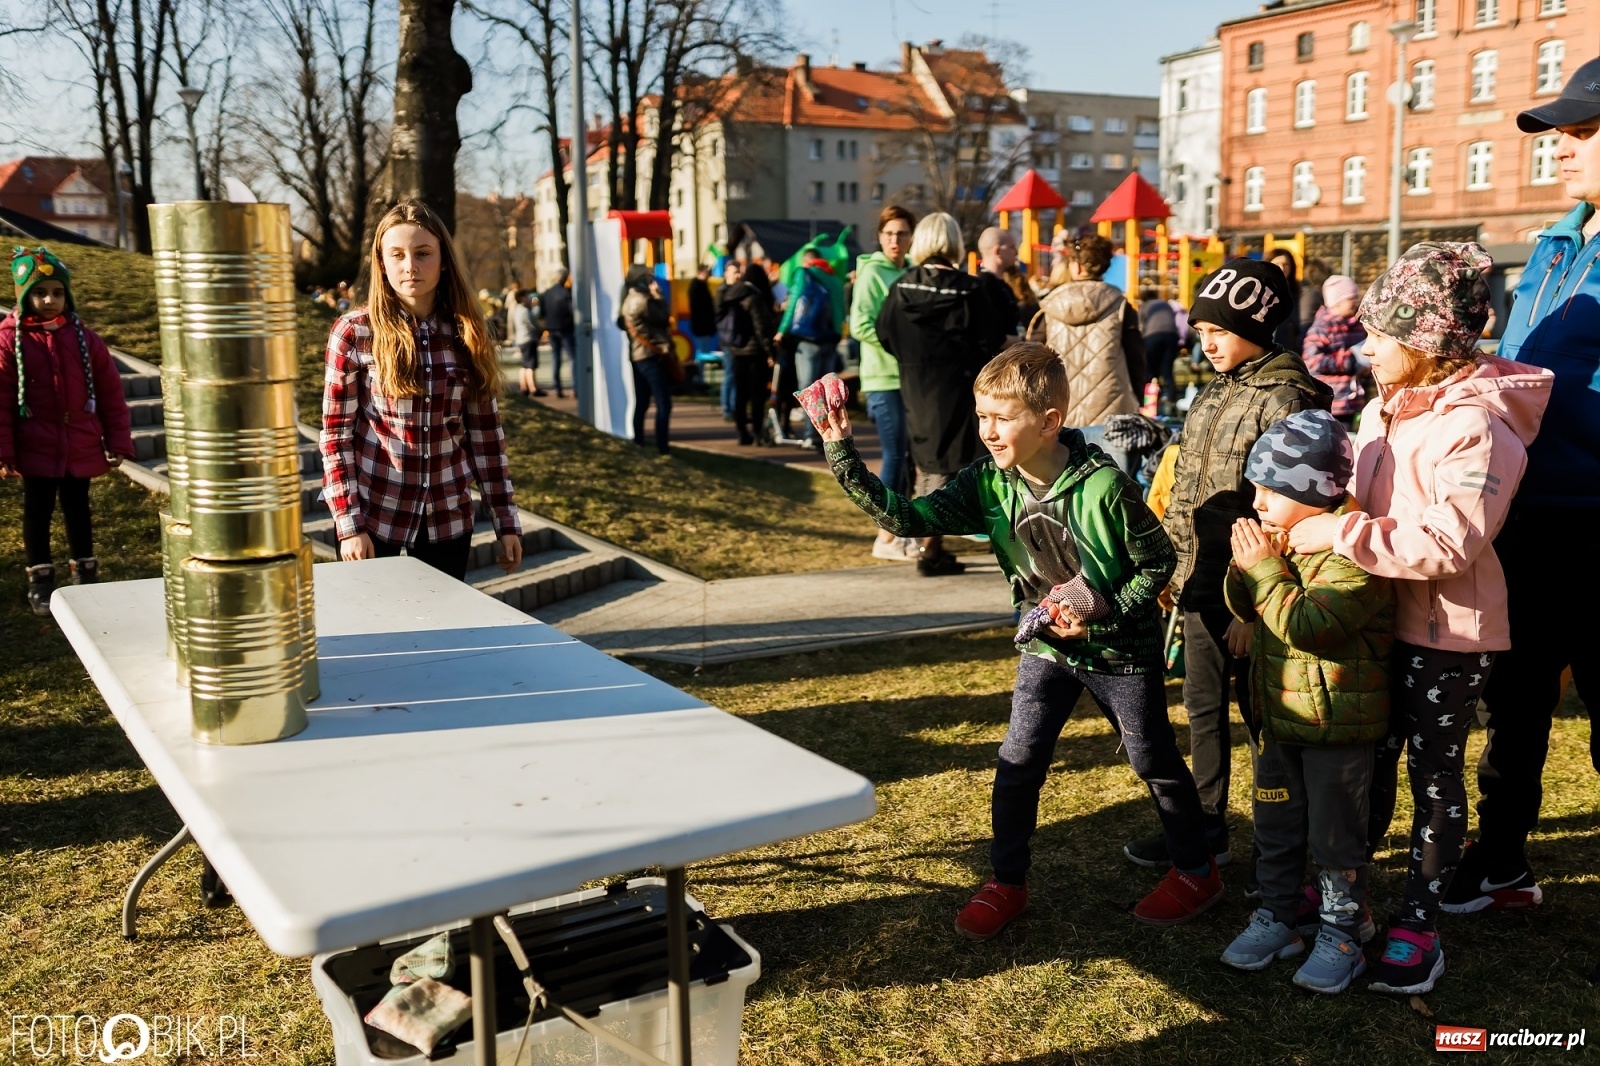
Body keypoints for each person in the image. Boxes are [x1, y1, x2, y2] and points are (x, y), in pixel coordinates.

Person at [813, 342, 1224, 937]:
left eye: (1001, 417)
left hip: (1118, 651)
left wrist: (1102, 612)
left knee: (1153, 759)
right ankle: (1006, 882)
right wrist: (839, 450)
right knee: (1018, 761)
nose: (987, 431)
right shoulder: (986, 484)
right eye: (982, 416)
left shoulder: (1106, 487)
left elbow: (1158, 562)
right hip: (1046, 650)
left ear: (1050, 421)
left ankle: (1196, 872)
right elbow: (907, 519)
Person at [1286, 241, 1552, 995]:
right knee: (1364, 761)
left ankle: (1419, 921)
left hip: (1446, 637)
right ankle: (1351, 897)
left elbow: (1451, 542)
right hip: (1373, 618)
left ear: (1426, 341)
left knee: (1433, 776)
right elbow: (1360, 502)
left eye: (1379, 335)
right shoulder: (1381, 410)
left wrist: (1340, 535)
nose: (1364, 347)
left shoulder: (1479, 428)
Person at [1450, 64, 1600, 925]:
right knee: (1514, 703)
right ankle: (1499, 859)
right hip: (1529, 519)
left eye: (1581, 131)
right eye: (1558, 131)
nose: (1561, 147)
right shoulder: (1549, 245)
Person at [1126, 258, 1330, 873]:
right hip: (1199, 584)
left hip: (1254, 591)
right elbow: (1186, 485)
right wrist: (1170, 566)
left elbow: (1289, 510)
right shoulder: (1215, 390)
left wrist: (1253, 604)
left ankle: (1284, 845)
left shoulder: (1287, 396)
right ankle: (1206, 826)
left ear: (1259, 323)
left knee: (1268, 721)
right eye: (1199, 329)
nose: (1203, 341)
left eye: (1217, 329)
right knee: (1202, 709)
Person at [1218, 410, 1395, 995]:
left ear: (1313, 489)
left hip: (1339, 728)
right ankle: (1278, 916)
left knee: (1335, 835)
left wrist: (1264, 567)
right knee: (1275, 822)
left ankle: (1344, 929)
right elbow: (1252, 609)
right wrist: (1248, 569)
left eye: (1271, 489)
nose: (1258, 501)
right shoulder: (1284, 543)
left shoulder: (1354, 549)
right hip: (1283, 721)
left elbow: (1310, 625)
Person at [320, 199, 523, 582]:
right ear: (382, 263)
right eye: (397, 255)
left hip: (447, 520)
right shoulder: (354, 332)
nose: (410, 266)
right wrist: (349, 524)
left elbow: (486, 437)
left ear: (444, 260)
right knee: (375, 635)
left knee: (440, 633)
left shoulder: (467, 332)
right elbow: (336, 436)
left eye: (423, 253)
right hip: (373, 516)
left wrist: (506, 521)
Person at [0, 247, 134, 615]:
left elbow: (110, 394)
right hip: (35, 444)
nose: (49, 300)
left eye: (57, 293)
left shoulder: (85, 340)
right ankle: (41, 579)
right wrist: (5, 451)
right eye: (40, 293)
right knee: (37, 510)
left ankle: (85, 572)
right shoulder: (10, 340)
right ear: (25, 296)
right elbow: (2, 400)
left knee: (78, 508)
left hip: (79, 441)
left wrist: (117, 440)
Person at [875, 211, 1007, 576]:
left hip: (917, 387)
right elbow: (991, 339)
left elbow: (884, 332)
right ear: (953, 243)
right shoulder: (971, 290)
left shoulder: (901, 289)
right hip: (961, 389)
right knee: (959, 469)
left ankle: (931, 547)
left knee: (929, 467)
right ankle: (931, 548)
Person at [852, 205, 917, 560]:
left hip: (909, 375)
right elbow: (860, 325)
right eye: (889, 233)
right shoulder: (871, 273)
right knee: (893, 454)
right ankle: (884, 538)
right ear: (879, 236)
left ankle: (899, 531)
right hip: (882, 376)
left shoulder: (910, 271)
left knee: (908, 456)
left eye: (902, 233)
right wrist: (900, 344)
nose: (896, 240)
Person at [1036, 235, 1144, 428]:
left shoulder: (1050, 306)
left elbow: (1034, 354)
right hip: (1111, 407)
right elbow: (1135, 357)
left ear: (1076, 266)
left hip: (1059, 404)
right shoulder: (1120, 305)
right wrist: (1138, 397)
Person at [776, 247, 844, 448]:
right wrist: (837, 333)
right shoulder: (834, 278)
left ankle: (810, 436)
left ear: (806, 262)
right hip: (829, 339)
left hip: (807, 340)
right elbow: (840, 309)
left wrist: (782, 330)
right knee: (828, 391)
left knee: (809, 390)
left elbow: (793, 303)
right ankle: (832, 436)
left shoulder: (803, 274)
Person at [716, 259, 778, 446]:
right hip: (754, 351)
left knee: (740, 393)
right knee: (757, 394)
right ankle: (758, 432)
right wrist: (770, 351)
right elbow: (760, 327)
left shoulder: (731, 293)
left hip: (735, 348)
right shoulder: (754, 296)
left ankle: (742, 432)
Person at [1300, 275, 1368, 426]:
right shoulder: (1322, 328)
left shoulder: (1358, 326)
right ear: (1337, 302)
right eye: (1351, 298)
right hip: (1331, 403)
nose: (1356, 302)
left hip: (1352, 401)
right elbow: (1312, 361)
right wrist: (1347, 361)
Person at [620, 266, 674, 455]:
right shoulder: (643, 301)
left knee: (642, 402)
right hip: (649, 356)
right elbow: (664, 317)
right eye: (649, 277)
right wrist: (659, 296)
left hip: (638, 355)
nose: (652, 280)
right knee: (663, 403)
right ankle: (662, 446)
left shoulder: (629, 299)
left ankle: (639, 441)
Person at [976, 227, 1022, 340]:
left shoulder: (1001, 284)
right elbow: (989, 335)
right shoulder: (983, 285)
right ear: (997, 251)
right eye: (1011, 247)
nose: (1016, 251)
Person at [1138, 289, 1181, 408]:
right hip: (1171, 336)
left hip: (1152, 337)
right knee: (1167, 370)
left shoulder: (1145, 306)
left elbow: (1140, 326)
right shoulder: (1166, 304)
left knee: (1149, 371)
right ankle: (1171, 400)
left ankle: (1147, 402)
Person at [540, 268, 575, 400]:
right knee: (572, 358)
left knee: (556, 358)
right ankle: (575, 387)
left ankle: (557, 387)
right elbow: (571, 311)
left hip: (552, 328)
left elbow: (542, 312)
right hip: (565, 329)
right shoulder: (566, 294)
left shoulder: (547, 294)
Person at [508, 289, 543, 399]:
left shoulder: (516, 310)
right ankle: (533, 387)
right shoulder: (525, 311)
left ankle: (524, 386)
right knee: (531, 364)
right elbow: (532, 324)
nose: (529, 299)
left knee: (524, 364)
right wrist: (540, 330)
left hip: (520, 339)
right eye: (527, 296)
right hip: (528, 339)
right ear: (522, 298)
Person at [1267, 250, 1304, 353]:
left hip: (1289, 348)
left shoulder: (1297, 293)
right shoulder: (1258, 291)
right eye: (1277, 263)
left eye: (1286, 264)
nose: (1282, 268)